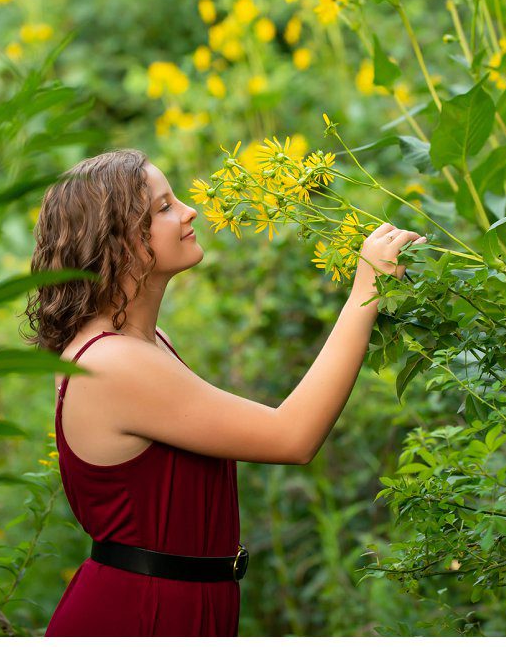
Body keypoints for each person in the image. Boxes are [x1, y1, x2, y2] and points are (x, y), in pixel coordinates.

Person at [30, 148, 421, 637]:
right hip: (139, 616)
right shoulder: (113, 364)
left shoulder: (142, 345)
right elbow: (291, 436)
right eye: (164, 206)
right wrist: (367, 287)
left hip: (176, 606)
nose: (189, 211)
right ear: (120, 243)